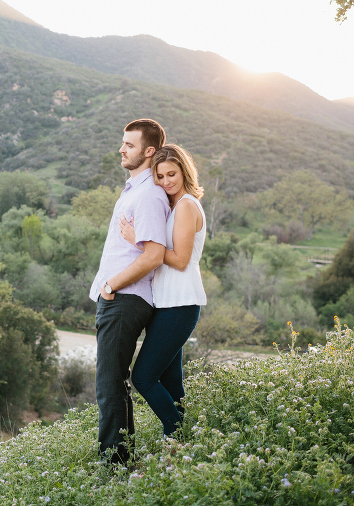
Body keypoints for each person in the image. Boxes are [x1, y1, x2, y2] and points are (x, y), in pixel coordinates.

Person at [88, 118, 170, 466]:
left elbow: (153, 255)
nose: (122, 148)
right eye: (123, 142)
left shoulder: (149, 195)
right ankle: (121, 461)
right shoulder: (135, 190)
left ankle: (114, 468)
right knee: (114, 385)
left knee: (109, 387)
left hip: (124, 299)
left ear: (149, 151)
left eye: (130, 145)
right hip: (119, 298)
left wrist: (111, 285)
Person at [120, 144, 207, 438]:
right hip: (167, 303)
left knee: (143, 377)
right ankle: (186, 447)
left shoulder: (185, 206)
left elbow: (180, 260)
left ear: (185, 171)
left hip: (181, 304)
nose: (167, 181)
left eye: (172, 173)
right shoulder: (174, 206)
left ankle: (178, 434)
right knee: (172, 383)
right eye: (160, 176)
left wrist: (139, 240)